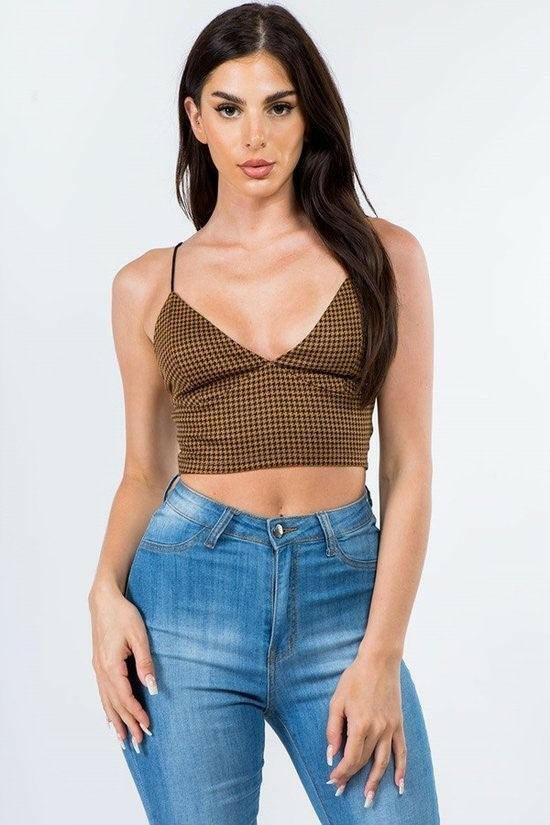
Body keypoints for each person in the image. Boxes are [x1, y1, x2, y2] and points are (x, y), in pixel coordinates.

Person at [88, 4, 440, 823]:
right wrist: (103, 591)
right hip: (186, 598)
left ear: (308, 114)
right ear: (196, 119)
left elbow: (409, 465)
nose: (256, 136)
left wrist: (381, 653)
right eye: (229, 108)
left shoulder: (385, 257)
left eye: (279, 106)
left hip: (343, 596)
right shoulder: (148, 284)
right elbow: (145, 470)